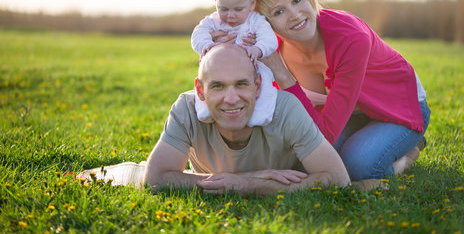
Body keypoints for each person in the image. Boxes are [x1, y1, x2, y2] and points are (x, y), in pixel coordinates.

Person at [252, 0, 431, 190]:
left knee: (356, 166)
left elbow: (323, 135)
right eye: (279, 11)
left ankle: (407, 156)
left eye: (297, 0)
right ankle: (364, 139)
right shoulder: (272, 49)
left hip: (398, 109)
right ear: (267, 22)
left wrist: (283, 75)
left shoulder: (351, 38)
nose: (295, 15)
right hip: (347, 115)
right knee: (308, 162)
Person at [143, 43, 350, 195]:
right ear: (200, 90)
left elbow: (338, 179)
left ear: (258, 85)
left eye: (241, 84)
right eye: (218, 86)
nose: (231, 99)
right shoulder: (186, 109)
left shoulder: (285, 108)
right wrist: (245, 179)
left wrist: (251, 185)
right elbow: (154, 179)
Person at [191, 0, 278, 126]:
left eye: (238, 9)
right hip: (219, 69)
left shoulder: (256, 21)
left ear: (252, 4)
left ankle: (261, 114)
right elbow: (197, 34)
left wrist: (258, 49)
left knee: (264, 83)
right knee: (208, 82)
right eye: (224, 9)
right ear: (215, 1)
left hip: (253, 66)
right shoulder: (212, 21)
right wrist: (207, 45)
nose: (230, 15)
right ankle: (204, 110)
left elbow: (270, 39)